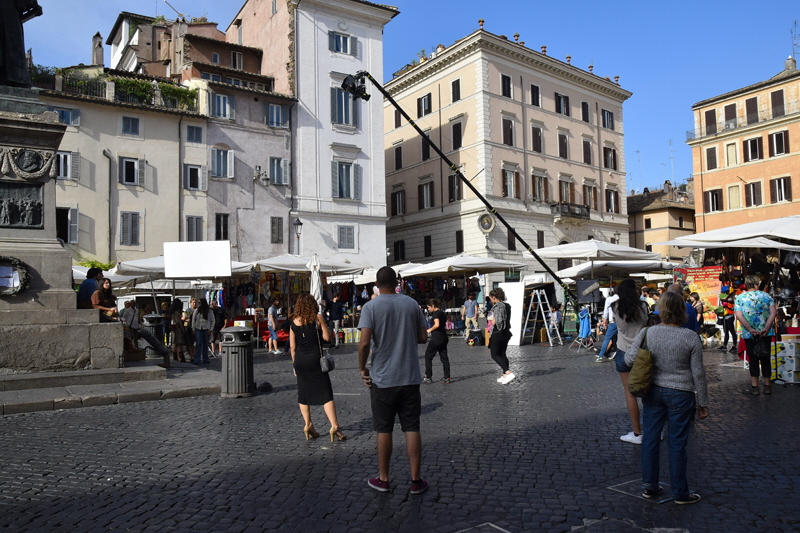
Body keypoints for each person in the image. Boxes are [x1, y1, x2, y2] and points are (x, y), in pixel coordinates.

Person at [625, 291, 708, 505]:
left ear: (660, 310)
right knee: (677, 443)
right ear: (682, 311)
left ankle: (649, 486)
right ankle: (680, 493)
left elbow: (628, 359)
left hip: (653, 391)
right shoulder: (690, 337)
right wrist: (703, 403)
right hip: (682, 393)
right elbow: (698, 373)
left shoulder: (648, 333)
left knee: (651, 439)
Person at [358, 266, 429, 495]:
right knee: (412, 427)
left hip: (383, 378)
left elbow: (365, 343)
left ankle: (384, 478)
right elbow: (423, 337)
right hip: (409, 376)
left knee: (384, 429)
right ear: (396, 282)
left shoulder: (370, 307)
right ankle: (416, 480)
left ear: (376, 284)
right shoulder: (410, 304)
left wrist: (362, 368)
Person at [290, 292, 346, 442]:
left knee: (303, 393)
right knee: (325, 393)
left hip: (300, 360)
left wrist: (295, 364)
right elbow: (327, 338)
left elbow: (292, 346)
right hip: (315, 359)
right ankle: (335, 426)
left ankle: (308, 425)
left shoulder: (293, 322)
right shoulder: (317, 318)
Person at [612, 279, 650, 444]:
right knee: (650, 393)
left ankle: (637, 433)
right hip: (642, 352)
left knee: (630, 394)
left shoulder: (614, 307)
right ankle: (654, 430)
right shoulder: (643, 307)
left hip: (623, 350)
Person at [735, 275, 777, 395]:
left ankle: (755, 387)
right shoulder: (766, 296)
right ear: (756, 284)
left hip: (749, 334)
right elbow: (773, 312)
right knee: (765, 358)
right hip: (766, 333)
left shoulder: (740, 298)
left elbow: (739, 315)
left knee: (753, 359)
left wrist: (749, 329)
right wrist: (766, 328)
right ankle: (767, 386)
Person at [488, 288, 515, 384]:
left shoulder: (497, 307)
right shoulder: (507, 306)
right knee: (502, 353)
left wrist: (490, 317)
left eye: (490, 298)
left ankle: (508, 372)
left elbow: (495, 322)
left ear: (494, 297)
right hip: (506, 332)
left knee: (495, 355)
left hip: (498, 333)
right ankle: (505, 374)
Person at [422, 299, 450, 384]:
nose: (428, 309)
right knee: (444, 358)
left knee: (428, 356)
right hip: (444, 336)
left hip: (436, 338)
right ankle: (447, 377)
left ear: (433, 306)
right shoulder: (442, 313)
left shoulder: (436, 313)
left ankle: (428, 376)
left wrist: (429, 330)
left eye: (429, 307)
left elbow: (437, 324)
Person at [597, 289, 619, 363]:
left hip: (612, 322)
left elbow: (605, 311)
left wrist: (604, 321)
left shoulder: (609, 299)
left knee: (607, 339)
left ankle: (600, 356)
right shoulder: (623, 299)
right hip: (622, 322)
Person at [191, 298, 215, 364]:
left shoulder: (209, 311)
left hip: (206, 329)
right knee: (198, 344)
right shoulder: (197, 310)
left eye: (199, 302)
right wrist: (193, 328)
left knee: (206, 344)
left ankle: (205, 358)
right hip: (198, 328)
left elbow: (213, 320)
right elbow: (193, 320)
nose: (198, 304)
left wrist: (211, 329)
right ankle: (197, 359)